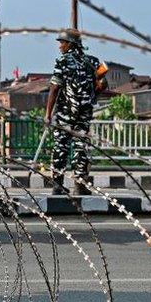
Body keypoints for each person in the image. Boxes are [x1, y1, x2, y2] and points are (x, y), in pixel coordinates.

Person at [44, 30, 107, 196]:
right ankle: (81, 185)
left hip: (66, 112)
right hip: (84, 113)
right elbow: (102, 84)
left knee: (61, 147)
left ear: (70, 44)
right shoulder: (92, 62)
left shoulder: (62, 61)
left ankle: (57, 185)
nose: (60, 46)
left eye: (62, 42)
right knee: (81, 148)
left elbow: (55, 87)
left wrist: (48, 113)